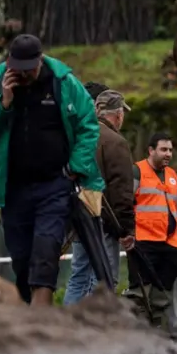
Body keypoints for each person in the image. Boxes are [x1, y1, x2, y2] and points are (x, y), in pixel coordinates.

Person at [0, 34, 103, 306]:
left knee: (47, 248)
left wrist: (75, 168)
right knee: (21, 257)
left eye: (29, 68)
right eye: (18, 68)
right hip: (14, 187)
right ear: (9, 63)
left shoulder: (63, 83)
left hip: (54, 183)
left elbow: (88, 124)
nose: (24, 74)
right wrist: (3, 103)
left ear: (40, 60)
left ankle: (41, 317)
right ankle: (29, 314)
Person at [64, 89, 134, 304]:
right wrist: (124, 228)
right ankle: (96, 328)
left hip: (78, 217)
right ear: (118, 114)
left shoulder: (79, 136)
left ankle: (67, 327)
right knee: (104, 279)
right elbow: (121, 190)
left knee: (78, 277)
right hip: (104, 221)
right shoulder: (116, 142)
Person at [125, 132, 177, 330]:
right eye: (163, 149)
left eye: (170, 150)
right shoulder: (137, 171)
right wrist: (129, 233)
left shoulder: (173, 176)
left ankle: (157, 332)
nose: (168, 153)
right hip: (143, 242)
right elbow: (126, 204)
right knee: (139, 294)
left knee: (162, 296)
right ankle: (138, 332)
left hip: (170, 245)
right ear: (151, 150)